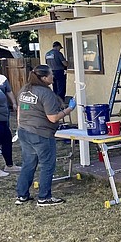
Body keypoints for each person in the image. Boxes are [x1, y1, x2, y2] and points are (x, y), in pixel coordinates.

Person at [15, 65, 76, 206]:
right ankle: (44, 197)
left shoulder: (25, 90)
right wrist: (69, 109)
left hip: (24, 131)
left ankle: (22, 195)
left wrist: (20, 127)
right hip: (41, 134)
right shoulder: (45, 93)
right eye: (50, 74)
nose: (53, 77)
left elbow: (20, 110)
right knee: (47, 165)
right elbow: (53, 118)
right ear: (43, 78)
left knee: (28, 164)